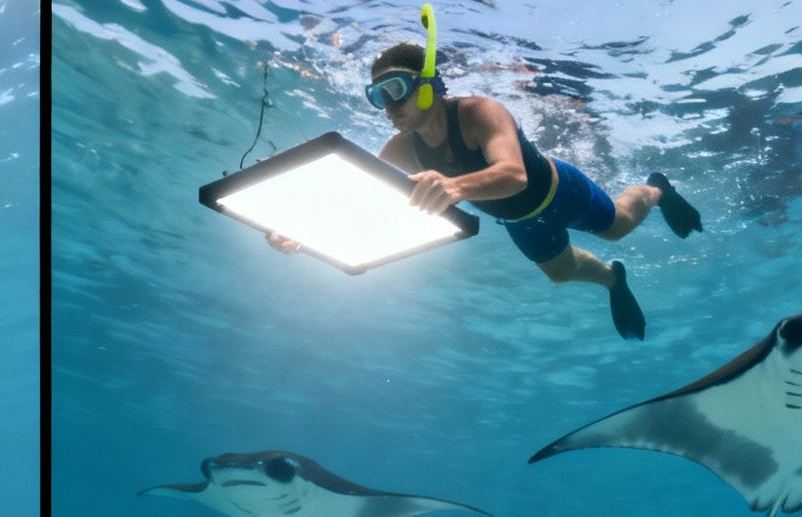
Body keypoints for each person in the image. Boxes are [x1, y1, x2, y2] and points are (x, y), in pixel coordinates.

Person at [271, 42, 703, 340]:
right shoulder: (401, 148)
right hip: (520, 221)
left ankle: (657, 189)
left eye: (396, 90)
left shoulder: (480, 112)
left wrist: (454, 186)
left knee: (619, 226)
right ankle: (613, 279)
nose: (389, 107)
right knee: (559, 273)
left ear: (429, 84)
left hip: (560, 191)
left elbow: (513, 174)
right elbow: (362, 201)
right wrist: (303, 233)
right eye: (377, 96)